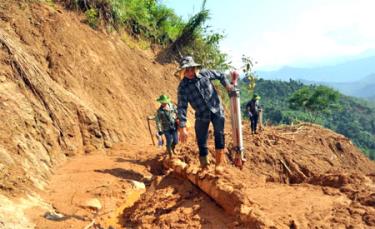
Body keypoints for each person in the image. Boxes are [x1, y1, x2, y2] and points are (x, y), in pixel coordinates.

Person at [176, 56, 235, 172]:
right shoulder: (183, 87)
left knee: (219, 134)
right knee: (201, 140)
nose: (190, 72)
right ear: (183, 71)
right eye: (187, 70)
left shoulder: (205, 74)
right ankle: (205, 166)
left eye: (192, 69)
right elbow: (182, 107)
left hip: (217, 110)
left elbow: (221, 75)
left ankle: (219, 165)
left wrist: (227, 85)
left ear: (195, 68)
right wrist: (182, 127)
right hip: (201, 114)